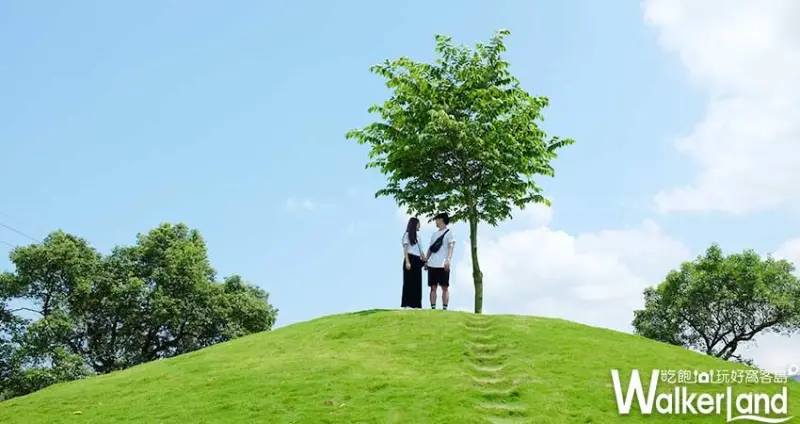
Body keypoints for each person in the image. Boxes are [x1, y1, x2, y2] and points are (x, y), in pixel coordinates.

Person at [425, 212, 455, 310]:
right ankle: (433, 307)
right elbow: (430, 249)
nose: (435, 221)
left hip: (443, 264)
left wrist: (448, 260)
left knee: (444, 287)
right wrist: (426, 260)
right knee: (433, 287)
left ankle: (444, 308)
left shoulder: (449, 233)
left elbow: (451, 246)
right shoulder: (434, 234)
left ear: (441, 219)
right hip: (432, 264)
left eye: (436, 219)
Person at [401, 217, 425, 309]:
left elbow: (421, 251)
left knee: (417, 283)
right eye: (418, 224)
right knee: (408, 282)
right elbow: (406, 250)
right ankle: (407, 304)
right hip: (410, 258)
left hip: (417, 259)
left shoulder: (418, 237)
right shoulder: (407, 235)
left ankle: (416, 304)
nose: (420, 226)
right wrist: (407, 261)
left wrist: (425, 261)